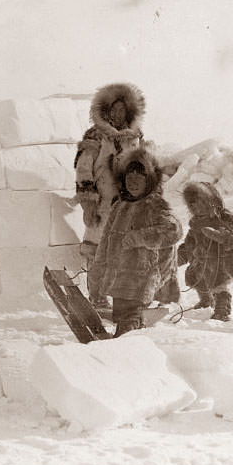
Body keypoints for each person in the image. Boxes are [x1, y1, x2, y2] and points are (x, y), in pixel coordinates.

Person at [87, 147, 182, 337]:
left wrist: (139, 237)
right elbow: (105, 243)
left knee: (129, 319)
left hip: (142, 276)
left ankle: (125, 344)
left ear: (149, 180)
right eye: (129, 178)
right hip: (118, 277)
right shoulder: (120, 205)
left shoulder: (155, 204)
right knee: (123, 315)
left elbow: (174, 230)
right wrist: (96, 275)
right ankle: (128, 341)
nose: (133, 182)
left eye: (139, 177)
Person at [74, 83, 146, 312]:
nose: (118, 114)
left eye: (122, 110)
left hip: (128, 204)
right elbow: (83, 168)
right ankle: (97, 296)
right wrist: (88, 202)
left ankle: (119, 297)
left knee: (123, 251)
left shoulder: (134, 137)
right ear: (106, 110)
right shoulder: (95, 135)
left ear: (129, 112)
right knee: (97, 250)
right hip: (103, 203)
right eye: (114, 110)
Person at [176, 181, 233, 321]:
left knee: (218, 284)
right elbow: (189, 243)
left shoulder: (225, 218)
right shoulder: (196, 223)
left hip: (223, 259)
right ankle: (206, 300)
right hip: (202, 260)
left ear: (210, 201)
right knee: (196, 277)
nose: (195, 208)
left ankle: (222, 310)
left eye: (199, 202)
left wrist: (219, 235)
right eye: (191, 205)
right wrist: (178, 256)